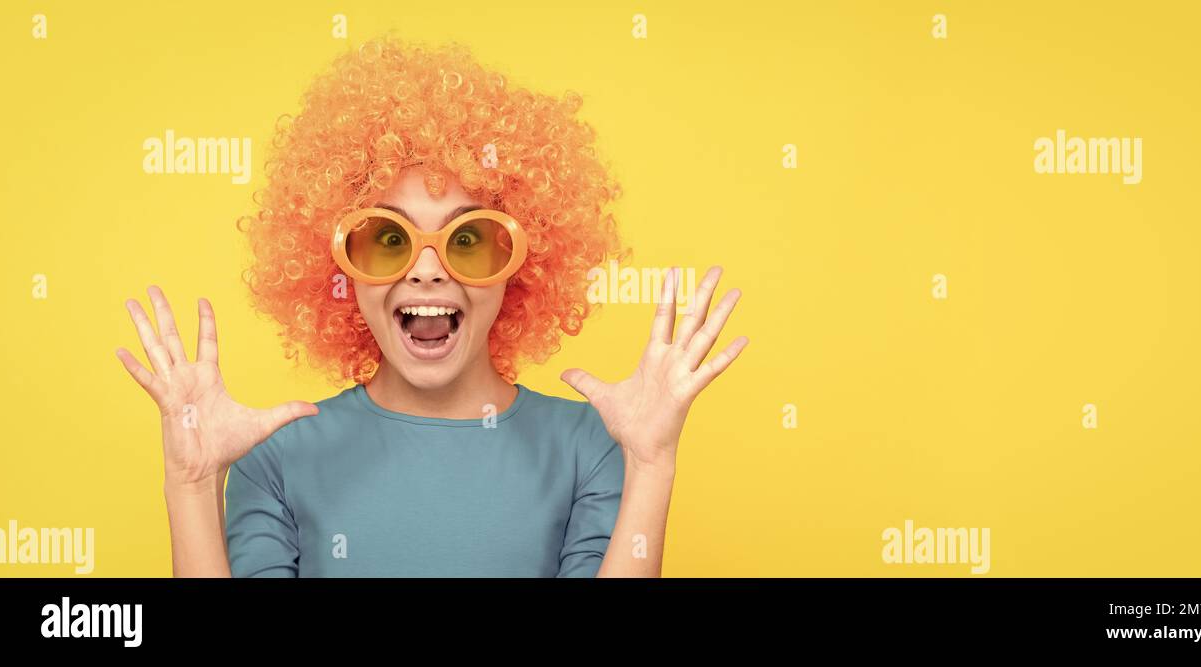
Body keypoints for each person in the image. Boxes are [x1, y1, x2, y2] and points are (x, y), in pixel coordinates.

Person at [115, 37, 747, 577]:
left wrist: (651, 462)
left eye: (466, 240)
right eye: (388, 239)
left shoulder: (597, 445)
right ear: (340, 266)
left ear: (519, 265)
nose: (425, 267)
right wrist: (193, 483)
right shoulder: (277, 455)